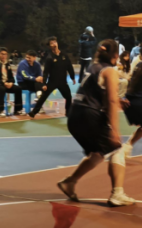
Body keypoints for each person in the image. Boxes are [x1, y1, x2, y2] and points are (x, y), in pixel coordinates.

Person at [57, 39, 134, 207]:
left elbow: (97, 94)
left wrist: (116, 101)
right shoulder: (109, 71)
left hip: (75, 115)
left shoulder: (92, 67)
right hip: (89, 115)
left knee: (98, 153)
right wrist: (115, 130)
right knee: (117, 149)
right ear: (115, 55)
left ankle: (69, 182)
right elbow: (111, 101)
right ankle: (117, 194)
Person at [29, 37, 75, 118]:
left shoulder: (64, 55)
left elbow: (69, 67)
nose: (54, 44)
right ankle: (33, 112)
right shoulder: (49, 58)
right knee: (43, 96)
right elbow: (46, 72)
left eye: (55, 42)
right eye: (52, 43)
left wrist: (72, 77)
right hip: (52, 82)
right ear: (50, 46)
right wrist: (44, 84)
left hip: (63, 82)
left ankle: (68, 112)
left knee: (68, 97)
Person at [0, 47, 25, 116]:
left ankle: (18, 110)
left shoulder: (7, 64)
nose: (4, 56)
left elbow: (11, 76)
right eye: (2, 54)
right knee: (1, 89)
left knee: (18, 89)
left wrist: (11, 83)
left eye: (5, 54)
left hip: (4, 84)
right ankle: (0, 111)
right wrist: (4, 83)